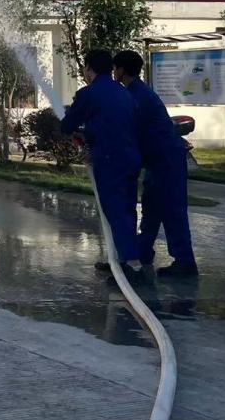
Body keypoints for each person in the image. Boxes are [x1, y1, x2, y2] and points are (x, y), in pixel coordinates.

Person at [114, 50, 198, 277]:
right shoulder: (137, 92)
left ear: (121, 70)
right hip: (158, 159)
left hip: (166, 159)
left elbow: (128, 129)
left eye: (115, 68)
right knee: (151, 207)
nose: (114, 72)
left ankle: (185, 262)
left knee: (172, 209)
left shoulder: (136, 96)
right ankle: (142, 252)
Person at [61, 50, 145, 277]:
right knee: (127, 209)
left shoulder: (88, 93)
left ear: (89, 68)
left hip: (110, 160)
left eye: (85, 68)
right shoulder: (124, 92)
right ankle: (121, 259)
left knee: (115, 210)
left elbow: (67, 125)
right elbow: (117, 123)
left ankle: (131, 264)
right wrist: (90, 133)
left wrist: (76, 128)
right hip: (131, 157)